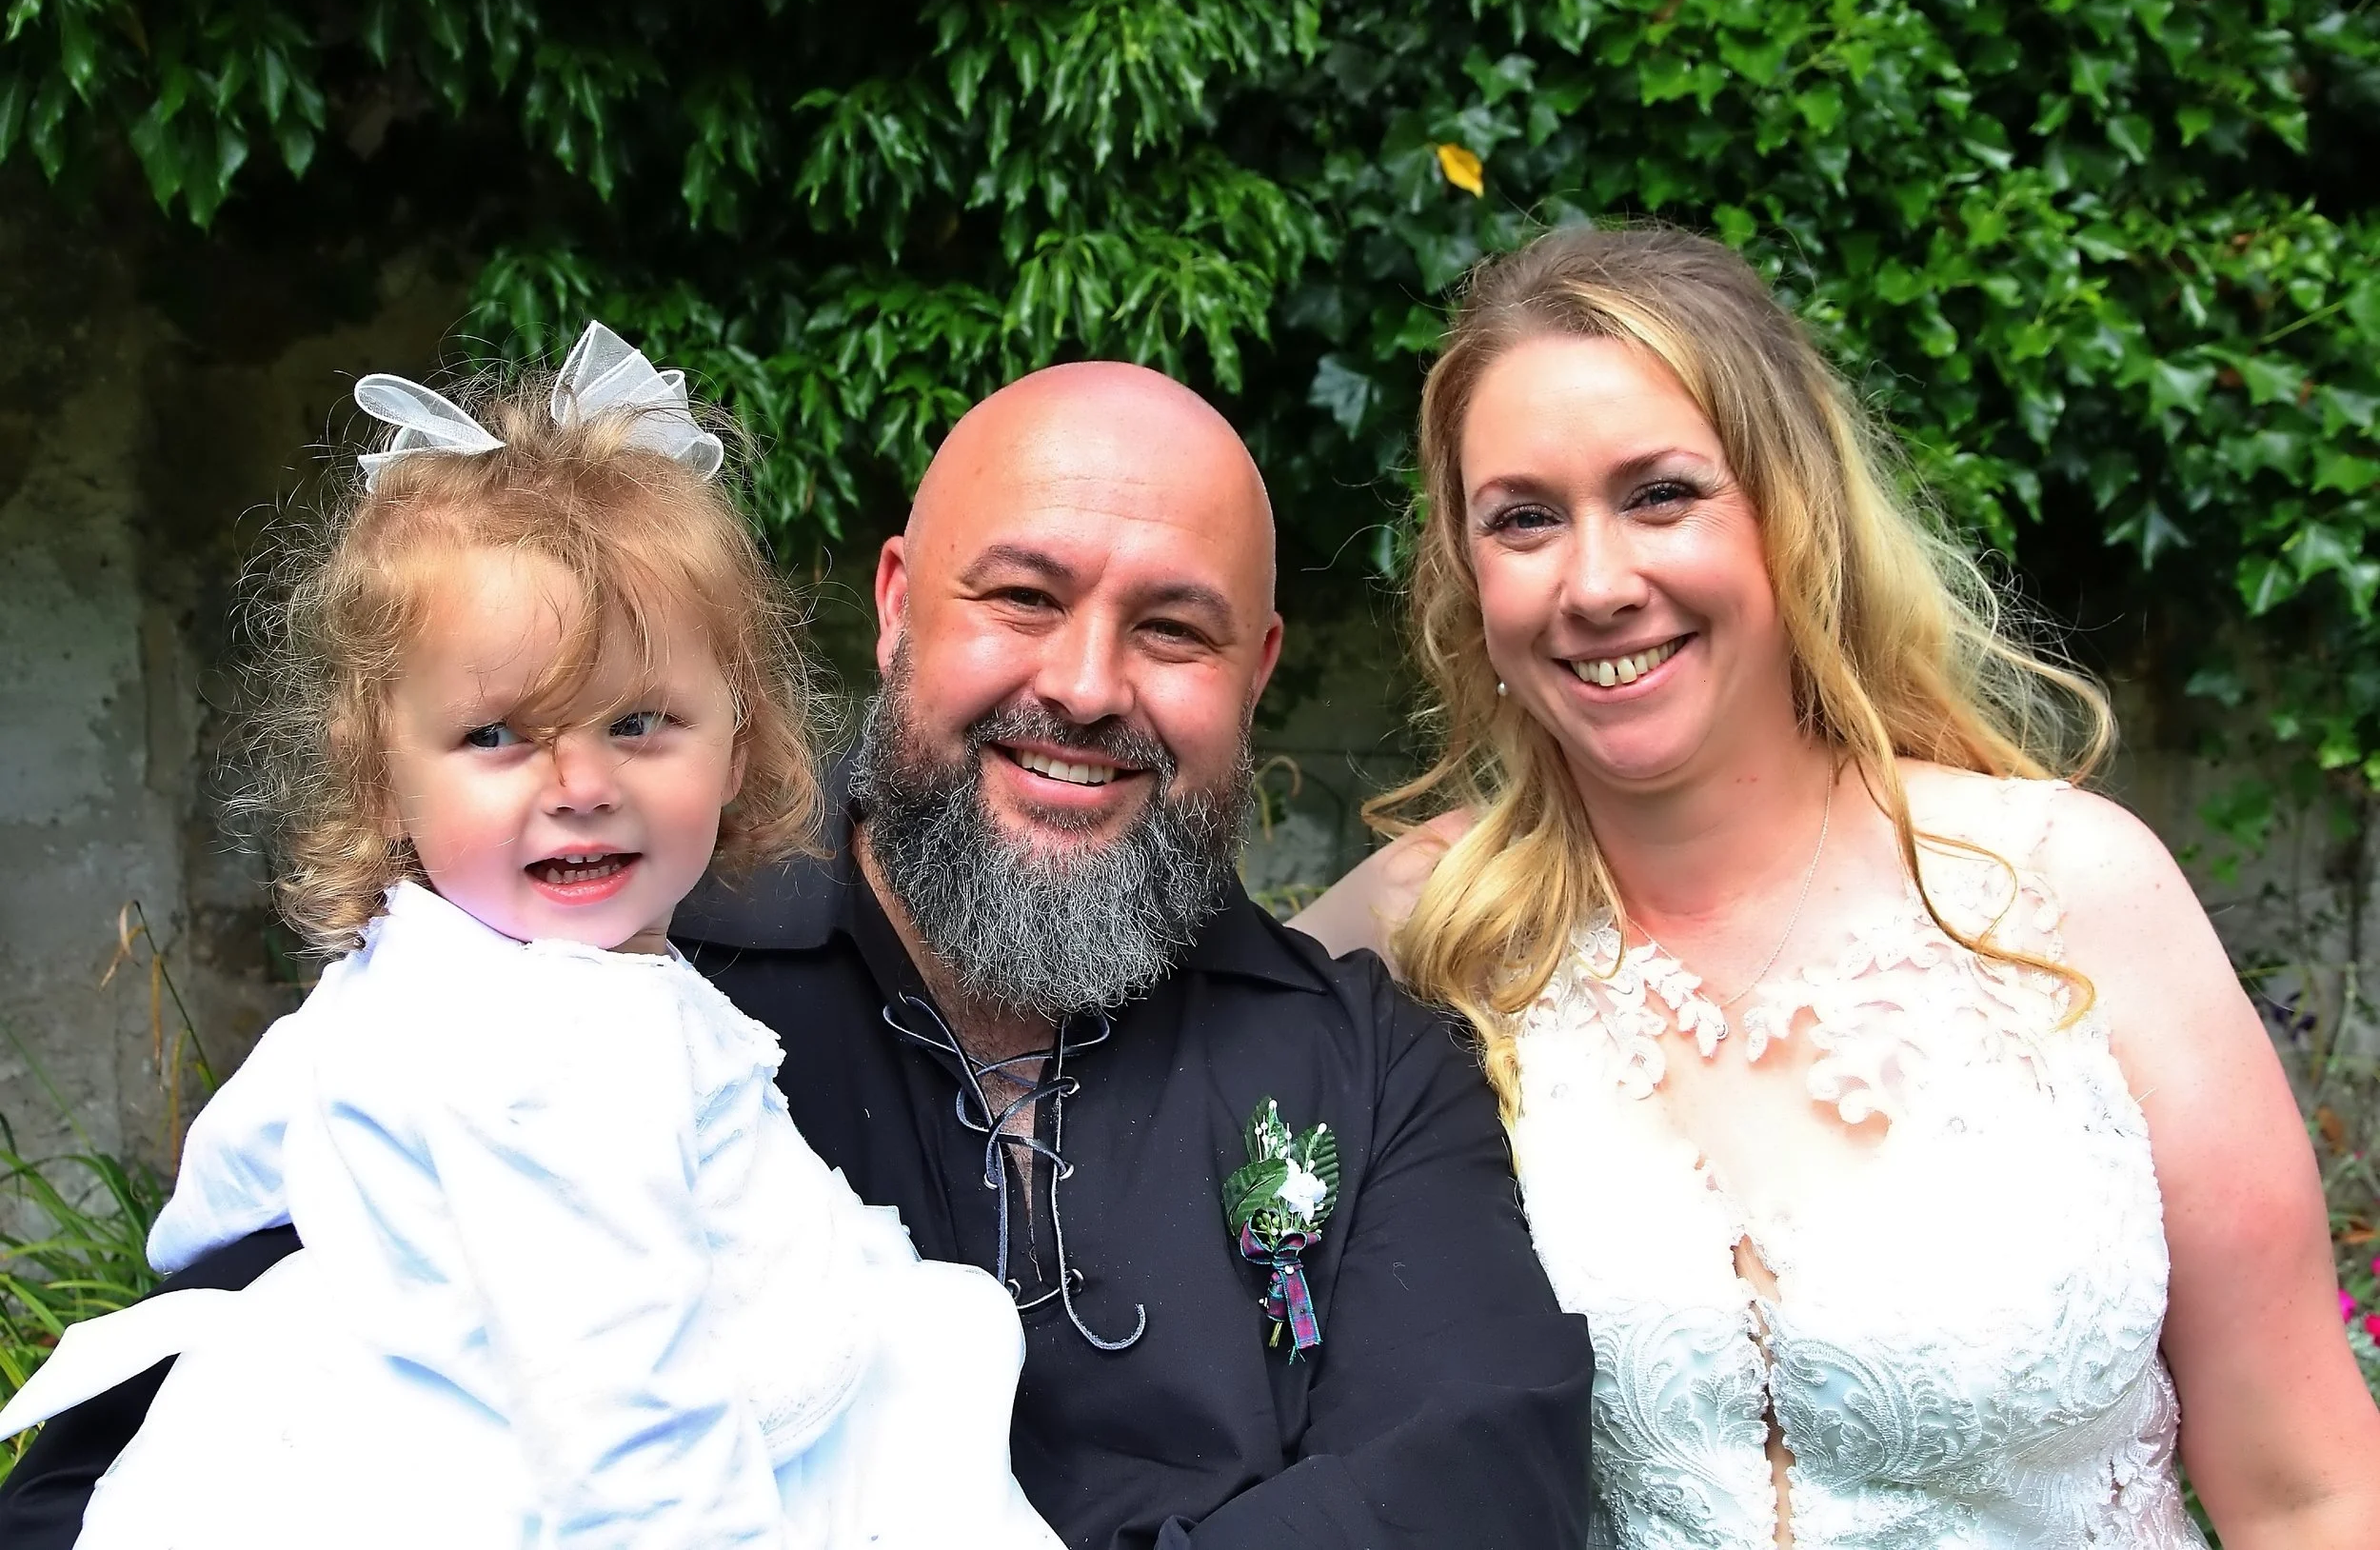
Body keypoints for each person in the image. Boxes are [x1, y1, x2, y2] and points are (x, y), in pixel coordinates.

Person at [0, 360, 1597, 1549]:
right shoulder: (595, 956)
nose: (1090, 683)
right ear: (898, 607)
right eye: (1021, 595)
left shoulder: (1363, 1066)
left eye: (1173, 632)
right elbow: (201, 1412)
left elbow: (1478, 1474)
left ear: (1252, 674)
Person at [1292, 226, 2380, 1548]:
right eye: (1524, 518)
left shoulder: (2065, 895)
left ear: (1790, 508)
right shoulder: (1425, 930)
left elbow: (2312, 1488)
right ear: (1469, 574)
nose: (1595, 582)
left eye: (1661, 494)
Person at [0, 326, 1065, 1550]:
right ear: (382, 773)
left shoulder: (423, 972)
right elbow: (632, 1437)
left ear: (738, 736)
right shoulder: (547, 1057)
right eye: (499, 734)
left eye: (641, 721)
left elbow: (230, 1179)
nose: (578, 780)